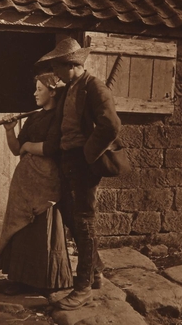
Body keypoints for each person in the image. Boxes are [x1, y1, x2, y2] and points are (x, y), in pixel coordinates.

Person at [35, 37, 121, 310]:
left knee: (84, 221)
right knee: (71, 217)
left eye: (57, 66)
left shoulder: (93, 87)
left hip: (83, 163)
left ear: (71, 64)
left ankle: (82, 288)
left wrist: (87, 154)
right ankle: (95, 271)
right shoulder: (70, 86)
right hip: (68, 161)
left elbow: (110, 125)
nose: (54, 72)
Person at [0, 73, 73, 295]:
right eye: (36, 89)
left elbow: (50, 148)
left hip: (46, 183)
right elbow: (16, 149)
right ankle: (22, 278)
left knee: (42, 230)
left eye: (39, 89)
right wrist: (10, 130)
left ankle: (47, 281)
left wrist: (28, 145)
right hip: (25, 185)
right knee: (22, 228)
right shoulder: (34, 118)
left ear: (53, 91)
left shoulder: (60, 117)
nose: (35, 93)